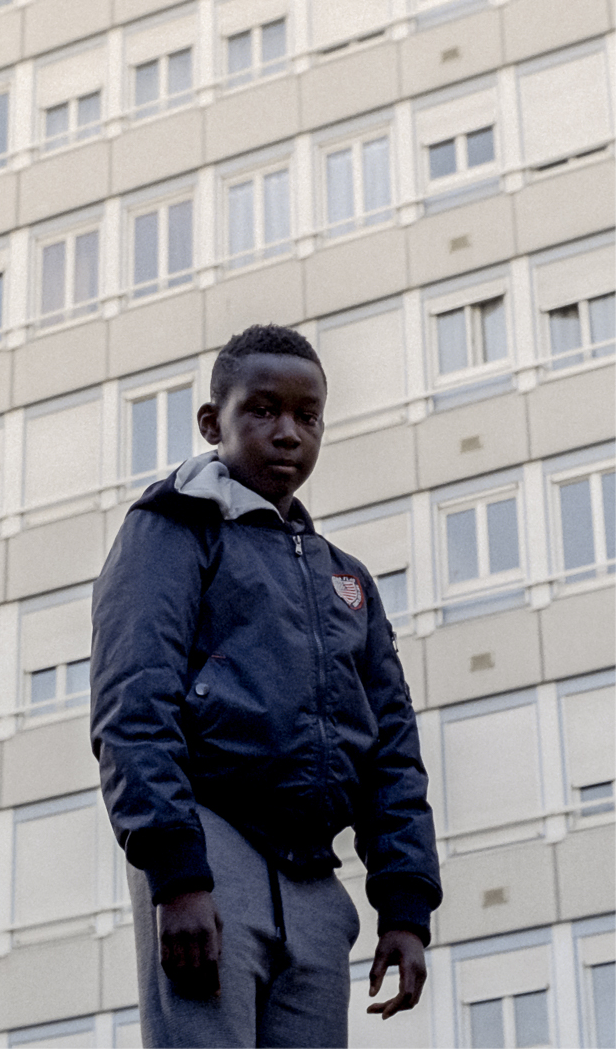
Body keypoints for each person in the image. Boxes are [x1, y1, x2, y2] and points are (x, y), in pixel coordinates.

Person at [90, 324, 442, 1049]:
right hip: (209, 845)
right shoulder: (171, 531)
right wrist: (178, 875)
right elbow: (134, 702)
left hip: (313, 876)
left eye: (307, 416)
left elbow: (392, 752)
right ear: (211, 422)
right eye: (262, 410)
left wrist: (405, 908)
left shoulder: (346, 580)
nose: (288, 432)